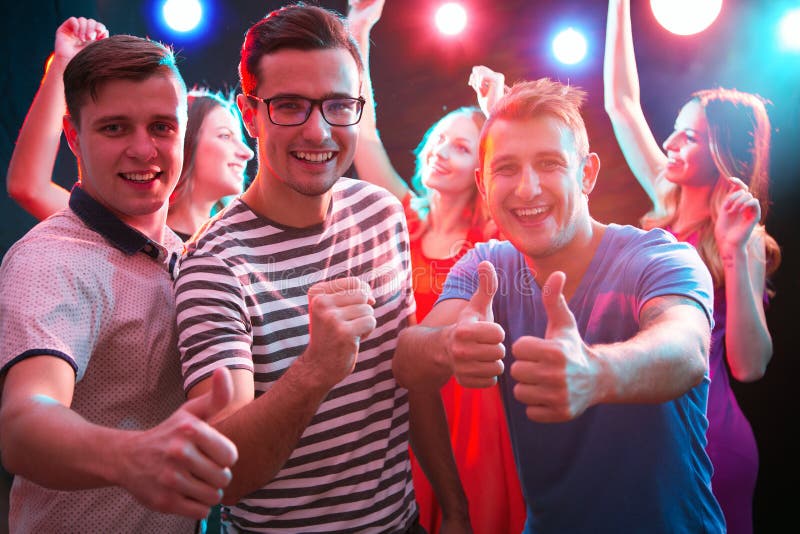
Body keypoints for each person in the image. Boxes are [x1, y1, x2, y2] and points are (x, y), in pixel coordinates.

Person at [173, 4, 469, 532]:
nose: (318, 131)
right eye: (290, 106)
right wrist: (314, 371)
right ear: (250, 112)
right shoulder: (213, 263)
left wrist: (454, 503)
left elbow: (407, 381)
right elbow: (226, 474)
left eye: (337, 106)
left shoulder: (381, 215)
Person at [393, 78, 727, 533]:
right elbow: (409, 358)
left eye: (549, 163)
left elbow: (685, 350)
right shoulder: (487, 265)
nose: (527, 189)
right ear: (483, 182)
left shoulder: (657, 257)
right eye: (506, 168)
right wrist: (448, 345)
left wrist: (595, 372)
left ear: (586, 174)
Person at [0, 32, 238, 532]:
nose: (142, 149)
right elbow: (23, 423)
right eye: (114, 128)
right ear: (73, 136)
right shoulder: (52, 260)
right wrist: (130, 456)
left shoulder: (186, 254)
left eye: (162, 126)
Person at [346, 2, 524, 533]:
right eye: (440, 138)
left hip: (474, 411)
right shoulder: (404, 218)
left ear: (482, 167)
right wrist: (359, 29)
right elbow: (365, 134)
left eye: (463, 147)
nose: (442, 151)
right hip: (406, 409)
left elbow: (512, 166)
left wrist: (496, 114)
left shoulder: (490, 236)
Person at [603, 2, 781, 532]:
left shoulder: (743, 237)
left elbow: (750, 366)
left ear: (723, 150)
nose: (669, 143)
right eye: (675, 130)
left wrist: (731, 250)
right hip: (648, 432)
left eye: (690, 136)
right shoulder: (665, 195)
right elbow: (621, 104)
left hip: (708, 439)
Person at [5, 19, 254, 239]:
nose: (247, 152)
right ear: (185, 142)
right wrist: (63, 66)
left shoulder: (234, 242)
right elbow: (29, 186)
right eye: (225, 136)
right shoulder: (119, 228)